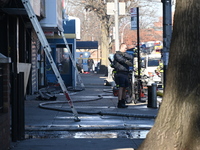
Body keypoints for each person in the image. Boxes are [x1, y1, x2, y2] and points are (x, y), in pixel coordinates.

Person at [113, 43, 133, 108]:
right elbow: (121, 60)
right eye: (125, 48)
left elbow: (131, 57)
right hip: (120, 73)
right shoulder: (117, 55)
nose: (126, 49)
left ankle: (123, 101)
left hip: (125, 73)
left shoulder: (125, 54)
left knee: (125, 88)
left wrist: (124, 54)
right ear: (121, 47)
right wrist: (126, 61)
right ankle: (120, 102)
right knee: (121, 88)